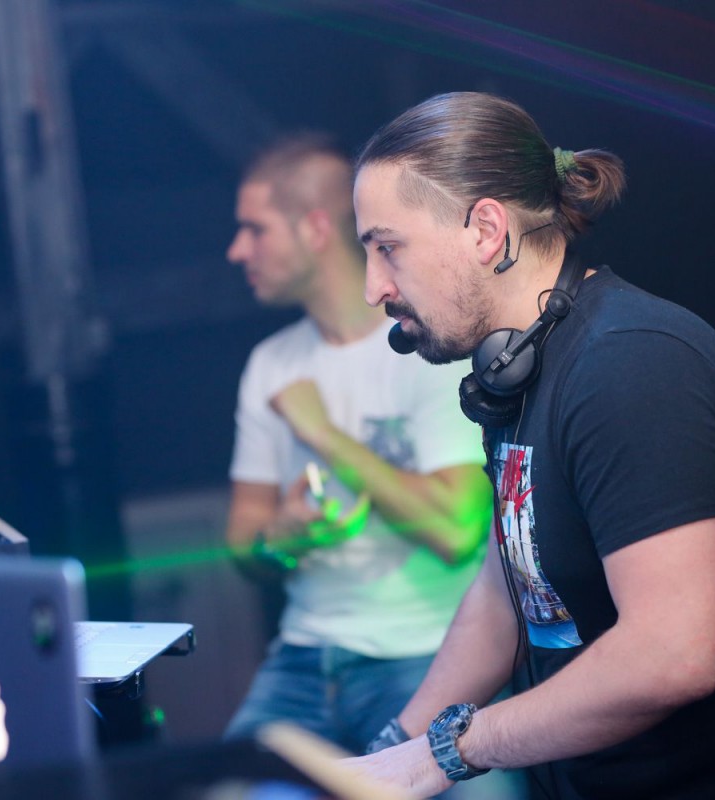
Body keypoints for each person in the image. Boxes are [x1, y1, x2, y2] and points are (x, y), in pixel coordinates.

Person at [345, 92, 715, 798]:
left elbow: (670, 655)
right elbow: (508, 588)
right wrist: (390, 752)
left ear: (485, 230)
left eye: (387, 247)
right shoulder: (519, 370)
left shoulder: (629, 365)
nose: (374, 287)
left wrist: (444, 755)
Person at [221, 134, 514, 781]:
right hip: (304, 655)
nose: (237, 250)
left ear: (315, 229)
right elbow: (243, 545)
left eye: (255, 229)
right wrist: (283, 536)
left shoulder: (429, 342)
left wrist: (324, 434)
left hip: (427, 653)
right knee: (218, 788)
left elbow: (456, 532)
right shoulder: (269, 364)